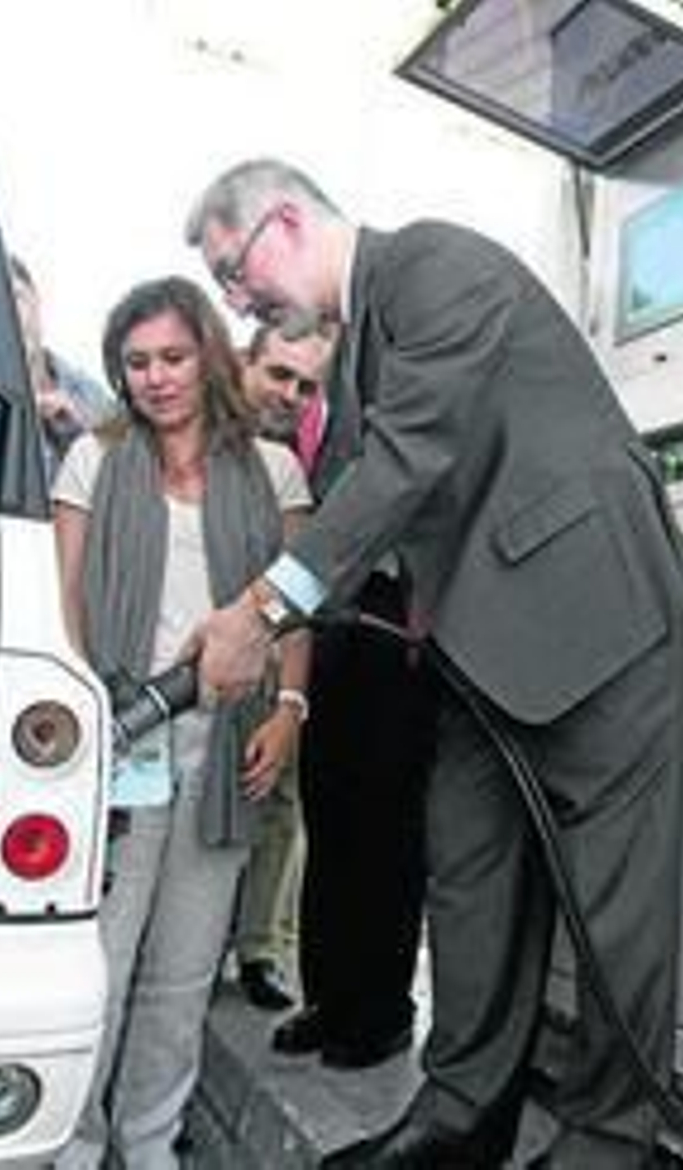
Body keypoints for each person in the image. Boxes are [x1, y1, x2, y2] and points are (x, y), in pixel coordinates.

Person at [182, 159, 683, 1170]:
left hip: (597, 613)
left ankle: (607, 1142)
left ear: (285, 223)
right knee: (467, 877)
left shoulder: (430, 265)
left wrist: (262, 607)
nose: (237, 301)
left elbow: (410, 459)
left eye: (232, 272)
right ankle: (459, 1117)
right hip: (477, 645)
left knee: (613, 903)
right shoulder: (360, 343)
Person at [51, 275, 312, 1170]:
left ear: (207, 355)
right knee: (102, 965)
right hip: (123, 735)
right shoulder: (92, 458)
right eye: (135, 363)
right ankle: (77, 1144)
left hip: (229, 742)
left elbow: (298, 605)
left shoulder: (276, 471)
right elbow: (66, 606)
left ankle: (150, 1139)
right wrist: (91, 724)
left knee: (184, 972)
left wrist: (289, 709)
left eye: (172, 356)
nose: (155, 378)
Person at [240, 317, 436, 1071]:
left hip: (397, 622)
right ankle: (329, 996)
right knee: (328, 813)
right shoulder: (305, 422)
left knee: (385, 827)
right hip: (327, 626)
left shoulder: (395, 396)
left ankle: (381, 1008)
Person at [225, 321, 329, 1013]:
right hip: (194, 651)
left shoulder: (308, 464)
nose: (289, 394)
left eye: (305, 385)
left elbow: (309, 579)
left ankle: (258, 951)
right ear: (243, 364)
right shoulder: (191, 438)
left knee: (278, 803)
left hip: (277, 655)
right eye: (278, 376)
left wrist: (293, 697)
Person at [10, 255, 119, 480]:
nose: (10, 314)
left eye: (16, 297)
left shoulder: (90, 396)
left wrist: (81, 435)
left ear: (36, 300)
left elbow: (130, 487)